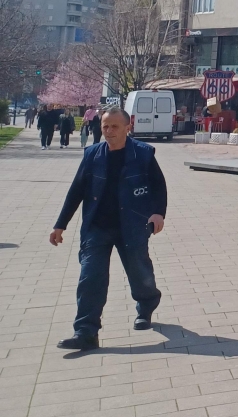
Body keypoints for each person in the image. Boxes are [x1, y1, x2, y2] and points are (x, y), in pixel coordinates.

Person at [49, 106, 167, 351]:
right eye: (105, 126)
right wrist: (60, 224)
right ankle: (85, 332)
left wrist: (158, 213)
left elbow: (158, 185)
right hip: (97, 227)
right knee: (90, 278)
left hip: (132, 225)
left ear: (127, 127)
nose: (109, 131)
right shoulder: (93, 154)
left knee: (139, 272)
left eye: (115, 126)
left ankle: (146, 305)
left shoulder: (143, 154)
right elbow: (77, 191)